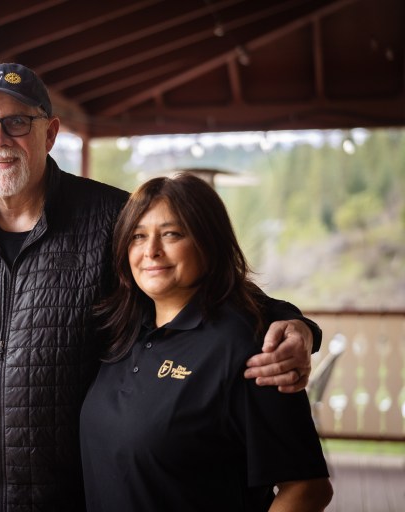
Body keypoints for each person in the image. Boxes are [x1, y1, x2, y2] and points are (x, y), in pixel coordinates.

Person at [0, 63, 321, 512]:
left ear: (50, 132)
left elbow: (197, 284)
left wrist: (295, 325)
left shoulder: (109, 218)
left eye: (18, 121)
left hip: (74, 499)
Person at [80, 173, 333, 512]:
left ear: (208, 241)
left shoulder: (250, 348)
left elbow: (307, 489)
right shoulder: (122, 330)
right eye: (138, 236)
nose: (151, 251)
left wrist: (301, 328)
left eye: (171, 234)